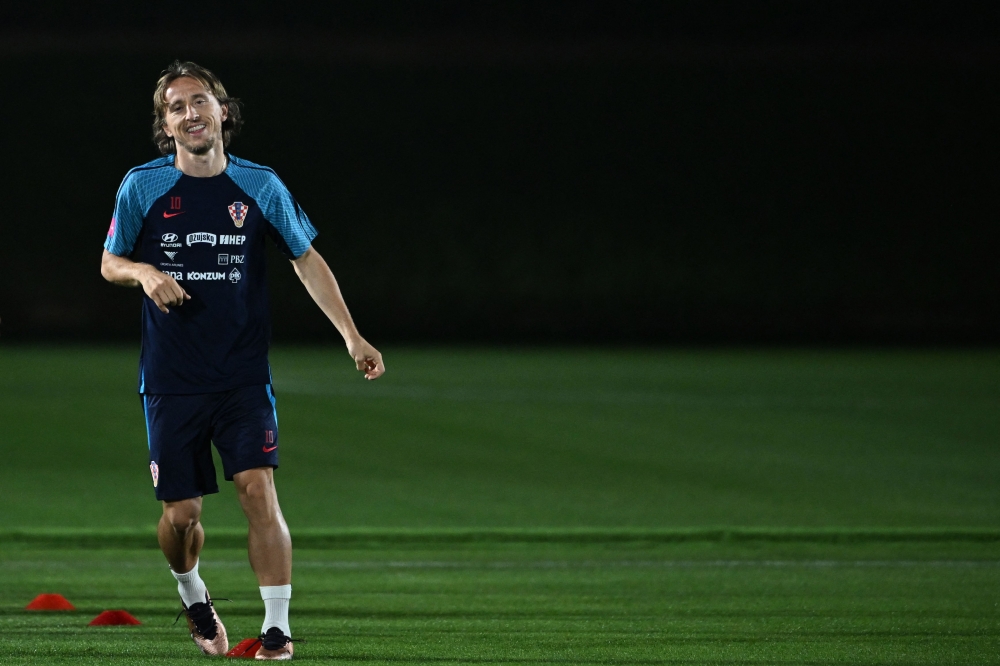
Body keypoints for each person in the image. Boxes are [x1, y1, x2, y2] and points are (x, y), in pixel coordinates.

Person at [101, 60, 384, 660]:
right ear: (166, 126)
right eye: (175, 107)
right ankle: (192, 592)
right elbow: (109, 261)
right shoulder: (143, 186)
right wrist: (145, 272)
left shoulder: (260, 185)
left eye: (199, 100)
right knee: (182, 515)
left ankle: (276, 627)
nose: (190, 113)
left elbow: (306, 258)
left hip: (242, 375)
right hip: (172, 380)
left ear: (222, 111)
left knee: (258, 491)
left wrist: (351, 336)